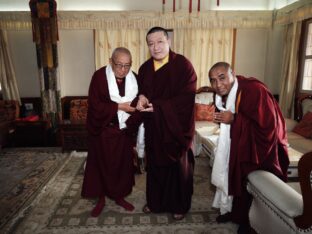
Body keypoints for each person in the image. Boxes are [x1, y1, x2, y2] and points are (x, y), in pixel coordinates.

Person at [209, 62, 289, 233]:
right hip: (241, 142)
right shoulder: (225, 94)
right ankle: (235, 213)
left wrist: (234, 120)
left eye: (222, 77)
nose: (218, 84)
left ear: (233, 74)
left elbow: (268, 126)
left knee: (248, 181)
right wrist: (226, 119)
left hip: (261, 146)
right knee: (234, 176)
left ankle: (250, 222)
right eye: (213, 80)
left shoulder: (254, 90)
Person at [126, 26, 197, 220]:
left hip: (176, 128)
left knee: (177, 169)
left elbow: (186, 99)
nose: (155, 47)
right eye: (151, 44)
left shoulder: (183, 66)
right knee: (155, 166)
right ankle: (155, 202)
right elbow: (143, 93)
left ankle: (179, 205)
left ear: (169, 42)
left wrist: (157, 106)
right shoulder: (145, 68)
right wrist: (141, 98)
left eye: (160, 42)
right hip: (155, 127)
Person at [81, 47, 138, 217]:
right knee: (101, 166)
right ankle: (101, 198)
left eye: (127, 65)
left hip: (123, 132)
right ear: (110, 61)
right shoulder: (99, 77)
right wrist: (119, 106)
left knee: (121, 166)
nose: (123, 70)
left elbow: (138, 101)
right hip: (103, 131)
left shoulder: (134, 78)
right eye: (119, 65)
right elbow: (95, 105)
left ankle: (118, 196)